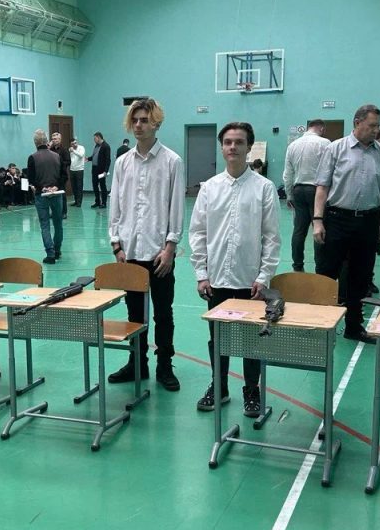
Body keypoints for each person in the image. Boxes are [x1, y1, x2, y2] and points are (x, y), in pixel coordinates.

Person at [190, 122, 280, 416]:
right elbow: (198, 232)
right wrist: (201, 273)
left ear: (248, 147)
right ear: (222, 147)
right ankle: (220, 386)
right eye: (227, 142)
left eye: (239, 142)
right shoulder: (209, 188)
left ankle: (251, 389)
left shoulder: (264, 188)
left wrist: (263, 277)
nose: (232, 147)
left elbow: (271, 237)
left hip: (250, 280)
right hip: (216, 279)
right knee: (218, 337)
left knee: (251, 339)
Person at [107, 97, 184, 391]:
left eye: (145, 120)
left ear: (156, 124)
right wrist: (116, 245)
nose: (139, 125)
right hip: (130, 253)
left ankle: (164, 365)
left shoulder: (172, 162)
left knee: (163, 314)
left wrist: (170, 247)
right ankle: (136, 363)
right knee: (134, 314)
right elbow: (115, 205)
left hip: (159, 254)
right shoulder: (122, 163)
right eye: (135, 120)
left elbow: (176, 208)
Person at [312, 104, 380, 344]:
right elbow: (322, 187)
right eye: (372, 126)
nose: (376, 131)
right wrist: (318, 221)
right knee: (327, 275)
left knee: (360, 277)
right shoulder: (335, 149)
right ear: (357, 123)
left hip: (368, 221)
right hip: (336, 219)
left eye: (378, 126)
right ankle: (320, 326)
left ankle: (354, 327)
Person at [282, 119, 329, 272]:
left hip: (298, 190)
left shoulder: (293, 145)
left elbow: (288, 174)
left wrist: (289, 195)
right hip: (317, 191)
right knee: (319, 228)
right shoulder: (325, 143)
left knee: (299, 230)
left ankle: (297, 266)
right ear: (321, 129)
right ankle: (320, 267)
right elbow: (330, 171)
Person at [26, 130, 66, 264]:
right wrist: (56, 186)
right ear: (46, 141)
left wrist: (42, 187)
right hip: (56, 193)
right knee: (58, 223)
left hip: (41, 194)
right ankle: (57, 250)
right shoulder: (57, 156)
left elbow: (31, 178)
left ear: (35, 142)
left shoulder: (32, 157)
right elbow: (64, 175)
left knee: (45, 225)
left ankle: (50, 254)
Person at [49, 131, 71, 220]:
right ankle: (54, 211)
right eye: (53, 139)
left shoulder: (64, 150)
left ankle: (64, 212)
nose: (54, 140)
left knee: (62, 194)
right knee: (51, 194)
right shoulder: (50, 150)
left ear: (60, 139)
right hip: (52, 175)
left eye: (56, 139)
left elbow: (68, 162)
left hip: (61, 175)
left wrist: (59, 163)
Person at [89, 131, 111, 207]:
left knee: (102, 186)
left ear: (98, 137)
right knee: (95, 185)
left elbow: (108, 160)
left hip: (101, 170)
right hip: (94, 169)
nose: (94, 140)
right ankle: (97, 201)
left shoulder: (106, 146)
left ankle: (104, 203)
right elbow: (94, 156)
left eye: (95, 138)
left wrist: (106, 171)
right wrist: (88, 159)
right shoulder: (96, 146)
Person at [68, 136, 86, 207]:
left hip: (79, 170)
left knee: (79, 186)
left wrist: (73, 151)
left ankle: (79, 202)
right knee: (74, 187)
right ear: (71, 144)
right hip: (72, 170)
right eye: (73, 144)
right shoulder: (70, 150)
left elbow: (81, 155)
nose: (75, 144)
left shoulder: (81, 148)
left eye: (75, 143)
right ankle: (76, 201)